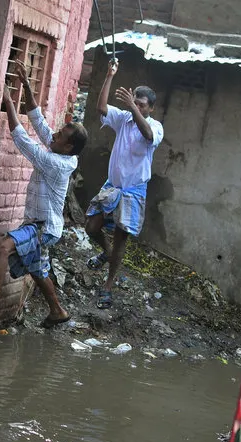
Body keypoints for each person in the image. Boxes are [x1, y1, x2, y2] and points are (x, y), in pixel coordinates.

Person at [0, 61, 88, 329]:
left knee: (4, 247)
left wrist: (8, 102)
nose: (53, 134)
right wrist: (28, 85)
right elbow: (38, 121)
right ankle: (58, 311)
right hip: (44, 224)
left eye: (60, 135)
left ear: (69, 147)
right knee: (38, 269)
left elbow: (24, 142)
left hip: (42, 227)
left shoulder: (56, 163)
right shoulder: (59, 150)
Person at [85, 59, 164, 309]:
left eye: (141, 105)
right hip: (113, 185)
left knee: (121, 239)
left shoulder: (154, 126)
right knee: (91, 226)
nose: (136, 108)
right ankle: (106, 253)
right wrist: (109, 76)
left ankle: (108, 286)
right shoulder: (123, 118)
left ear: (150, 108)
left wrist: (133, 109)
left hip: (134, 191)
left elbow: (148, 136)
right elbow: (101, 107)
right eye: (135, 103)